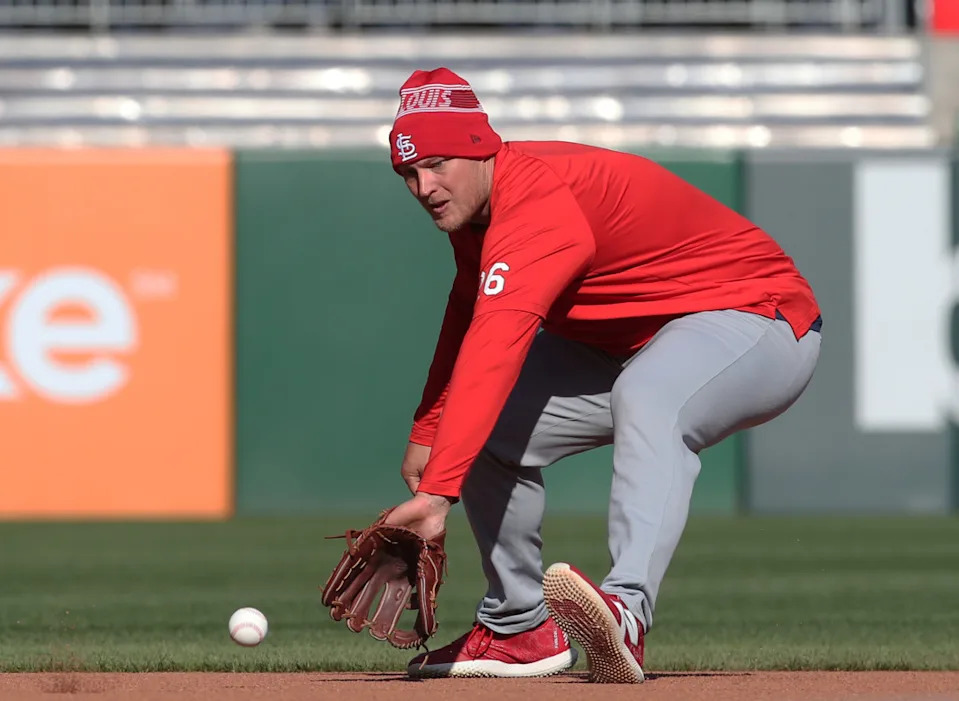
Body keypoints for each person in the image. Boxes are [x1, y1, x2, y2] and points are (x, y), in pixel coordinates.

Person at [378, 67, 822, 683]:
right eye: (408, 173)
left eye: (437, 164)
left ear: (482, 148)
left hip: (756, 318)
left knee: (648, 395)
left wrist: (437, 495)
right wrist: (431, 429)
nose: (424, 187)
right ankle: (518, 627)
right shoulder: (478, 212)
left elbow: (498, 341)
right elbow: (466, 312)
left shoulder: (535, 199)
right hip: (632, 343)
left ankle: (628, 609)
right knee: (478, 429)